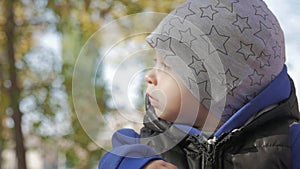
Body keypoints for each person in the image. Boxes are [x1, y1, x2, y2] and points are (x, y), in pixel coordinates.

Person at [98, 0, 300, 168]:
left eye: (167, 66)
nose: (149, 76)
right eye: (155, 62)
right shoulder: (151, 143)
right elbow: (115, 158)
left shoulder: (290, 145)